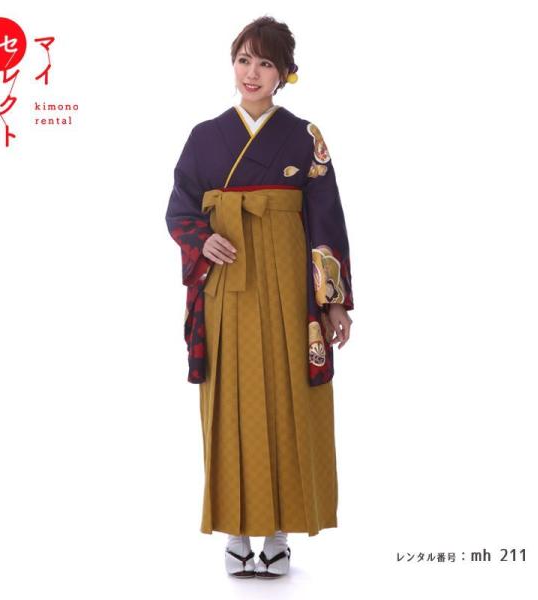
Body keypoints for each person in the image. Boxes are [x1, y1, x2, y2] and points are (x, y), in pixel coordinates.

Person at [165, 15, 354, 578]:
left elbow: (326, 218)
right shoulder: (204, 137)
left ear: (285, 73)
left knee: (287, 396)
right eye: (244, 59)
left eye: (266, 63)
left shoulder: (305, 137)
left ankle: (277, 533)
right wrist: (203, 238)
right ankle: (236, 532)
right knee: (230, 401)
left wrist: (333, 300)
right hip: (227, 286)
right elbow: (179, 209)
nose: (252, 72)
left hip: (290, 286)